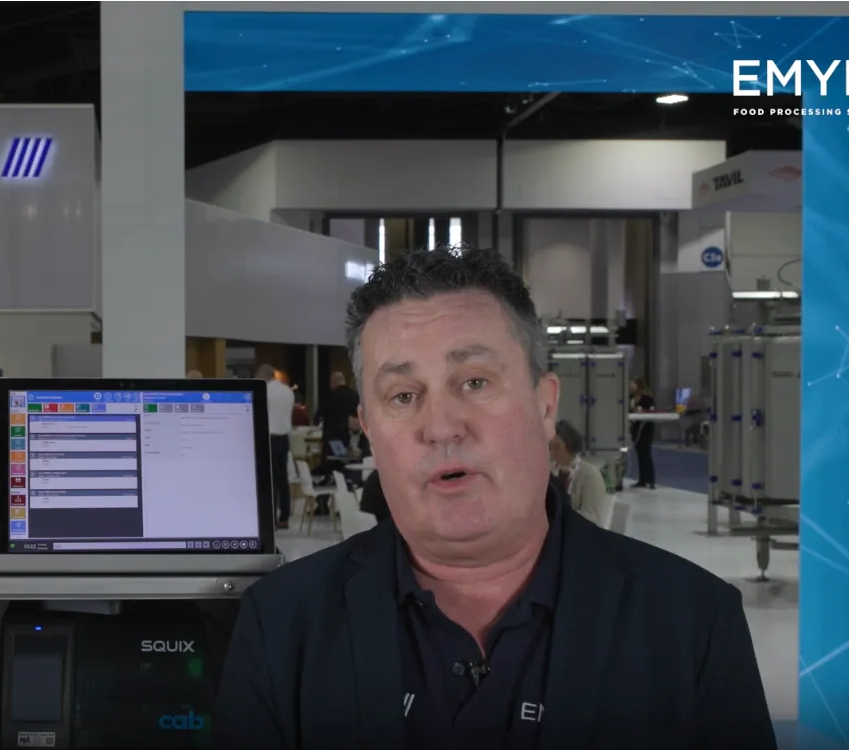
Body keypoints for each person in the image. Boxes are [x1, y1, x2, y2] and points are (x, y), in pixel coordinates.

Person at [214, 248, 773, 750]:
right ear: (368, 430)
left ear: (544, 404)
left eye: (474, 383)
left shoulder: (691, 623)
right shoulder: (283, 626)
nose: (441, 426)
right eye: (403, 395)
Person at [550, 419, 612, 528]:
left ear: (569, 446)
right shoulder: (549, 473)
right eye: (550, 448)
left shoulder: (590, 476)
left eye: (557, 447)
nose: (552, 453)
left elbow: (592, 519)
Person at [259, 363, 296, 530]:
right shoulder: (288, 391)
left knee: (269, 480)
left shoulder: (265, 390)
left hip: (269, 437)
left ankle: (271, 518)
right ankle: (285, 517)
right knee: (282, 480)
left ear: (262, 376)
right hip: (284, 438)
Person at [319, 370, 361, 457]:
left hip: (331, 440)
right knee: (345, 464)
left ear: (333, 382)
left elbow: (317, 417)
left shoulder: (329, 397)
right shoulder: (354, 396)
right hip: (347, 440)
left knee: (331, 465)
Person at [630, 377, 658, 489]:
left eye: (632, 384)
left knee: (646, 455)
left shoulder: (647, 398)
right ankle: (642, 480)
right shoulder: (632, 398)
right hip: (636, 429)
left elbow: (650, 411)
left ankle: (651, 480)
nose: (630, 387)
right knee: (640, 455)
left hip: (645, 429)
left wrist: (640, 412)